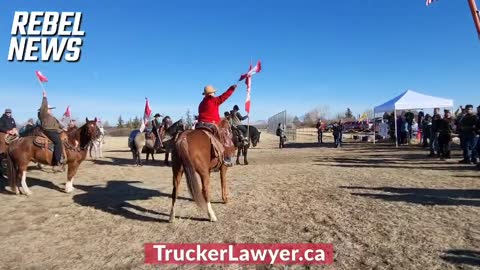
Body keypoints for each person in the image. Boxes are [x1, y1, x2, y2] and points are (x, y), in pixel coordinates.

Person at [196, 84, 237, 166]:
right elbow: (225, 96)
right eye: (214, 93)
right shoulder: (215, 100)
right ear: (212, 93)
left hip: (199, 124)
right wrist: (231, 89)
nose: (214, 94)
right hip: (211, 124)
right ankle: (226, 158)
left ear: (205, 94)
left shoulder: (201, 103)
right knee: (225, 137)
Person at [39, 90, 65, 171]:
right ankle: (57, 162)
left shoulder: (52, 117)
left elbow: (58, 124)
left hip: (55, 130)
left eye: (51, 109)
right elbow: (43, 106)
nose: (51, 110)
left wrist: (63, 128)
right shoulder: (43, 114)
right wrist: (44, 97)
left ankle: (63, 157)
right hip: (49, 131)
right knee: (58, 142)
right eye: (49, 109)